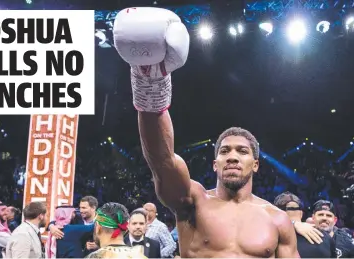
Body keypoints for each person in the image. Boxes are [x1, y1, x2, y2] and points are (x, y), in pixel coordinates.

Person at [112, 7, 299, 258]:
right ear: (214, 164)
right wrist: (150, 82)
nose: (232, 156)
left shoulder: (277, 220)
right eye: (224, 151)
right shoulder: (193, 201)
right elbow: (162, 161)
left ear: (255, 164)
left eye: (242, 151)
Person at [273, 192, 334, 258]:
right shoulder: (325, 236)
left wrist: (293, 224)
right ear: (301, 214)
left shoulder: (273, 237)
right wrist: (294, 224)